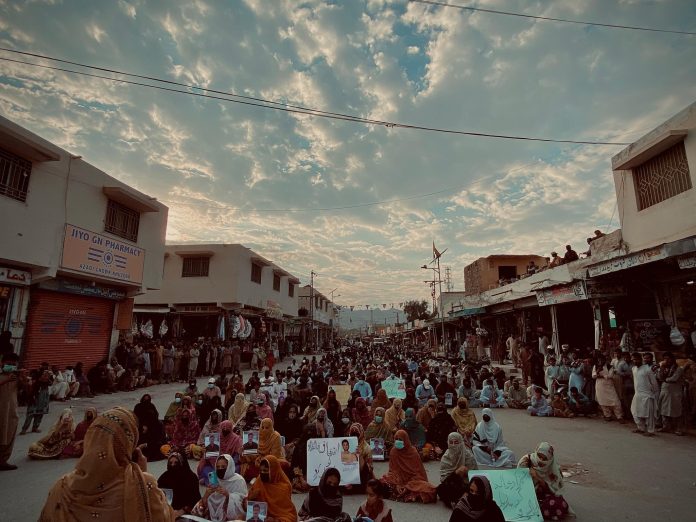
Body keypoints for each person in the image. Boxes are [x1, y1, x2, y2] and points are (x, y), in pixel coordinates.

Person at [39, 407, 179, 521]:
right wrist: (142, 476)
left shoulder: (61, 488)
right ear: (128, 444)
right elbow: (164, 517)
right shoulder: (141, 487)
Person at [518, 442, 572, 520]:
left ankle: (537, 510)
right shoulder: (526, 461)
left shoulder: (553, 468)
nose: (541, 460)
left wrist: (537, 477)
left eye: (545, 458)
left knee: (560, 505)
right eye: (539, 456)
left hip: (543, 496)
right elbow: (517, 482)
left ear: (550, 459)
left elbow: (552, 490)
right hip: (524, 495)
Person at [380, 429, 437, 503]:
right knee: (381, 483)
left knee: (429, 489)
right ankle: (405, 492)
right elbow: (392, 471)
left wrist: (408, 486)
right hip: (397, 479)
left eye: (400, 439)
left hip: (413, 481)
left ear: (405, 440)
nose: (397, 441)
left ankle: (407, 491)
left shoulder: (413, 452)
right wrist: (397, 484)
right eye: (396, 439)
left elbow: (419, 474)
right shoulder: (394, 451)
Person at [191, 454, 247, 521]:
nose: (220, 469)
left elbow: (244, 503)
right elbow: (205, 505)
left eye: (223, 467)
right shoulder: (215, 479)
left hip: (230, 517)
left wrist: (228, 495)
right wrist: (206, 494)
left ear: (229, 467)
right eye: (218, 467)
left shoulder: (238, 480)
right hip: (212, 515)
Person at [247, 455, 298, 522]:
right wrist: (250, 498)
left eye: (265, 470)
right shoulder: (259, 481)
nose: (262, 473)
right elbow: (249, 504)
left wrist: (275, 520)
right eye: (261, 470)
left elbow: (289, 515)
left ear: (273, 471)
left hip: (278, 518)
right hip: (259, 517)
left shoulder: (283, 487)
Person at [437, 432, 477, 509]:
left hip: (467, 485)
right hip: (452, 485)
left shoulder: (469, 456)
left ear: (461, 443)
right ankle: (458, 502)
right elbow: (444, 479)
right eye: (451, 442)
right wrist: (456, 474)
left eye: (456, 442)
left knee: (473, 492)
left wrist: (467, 472)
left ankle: (460, 502)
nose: (453, 445)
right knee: (441, 489)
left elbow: (475, 477)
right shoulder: (446, 458)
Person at [0, 352, 25, 470]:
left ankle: (2, 461)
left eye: (13, 365)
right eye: (8, 364)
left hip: (11, 412)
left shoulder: (16, 376)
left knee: (8, 437)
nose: (10, 366)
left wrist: (24, 380)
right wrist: (6, 380)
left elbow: (27, 392)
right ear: (2, 363)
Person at [631, 352, 659, 436]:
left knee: (649, 414)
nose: (634, 361)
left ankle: (650, 431)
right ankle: (641, 428)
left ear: (640, 359)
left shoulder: (647, 369)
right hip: (637, 394)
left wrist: (652, 393)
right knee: (635, 411)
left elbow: (654, 383)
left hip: (647, 395)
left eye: (636, 359)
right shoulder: (633, 369)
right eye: (633, 359)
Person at [657, 351, 685, 435]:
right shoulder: (663, 368)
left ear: (673, 359)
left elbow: (674, 378)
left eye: (668, 358)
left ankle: (679, 428)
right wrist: (661, 369)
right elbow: (658, 377)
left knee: (676, 410)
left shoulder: (679, 369)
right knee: (663, 410)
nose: (666, 360)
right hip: (665, 391)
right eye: (665, 359)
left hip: (675, 393)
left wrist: (665, 379)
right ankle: (666, 427)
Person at [592, 356, 624, 422]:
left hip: (609, 385)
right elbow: (593, 376)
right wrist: (598, 372)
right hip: (600, 386)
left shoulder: (610, 366)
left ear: (605, 360)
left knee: (615, 401)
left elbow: (610, 376)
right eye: (599, 360)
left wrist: (601, 376)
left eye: (602, 360)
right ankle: (607, 415)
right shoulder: (596, 366)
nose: (600, 362)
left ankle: (619, 416)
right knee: (602, 401)